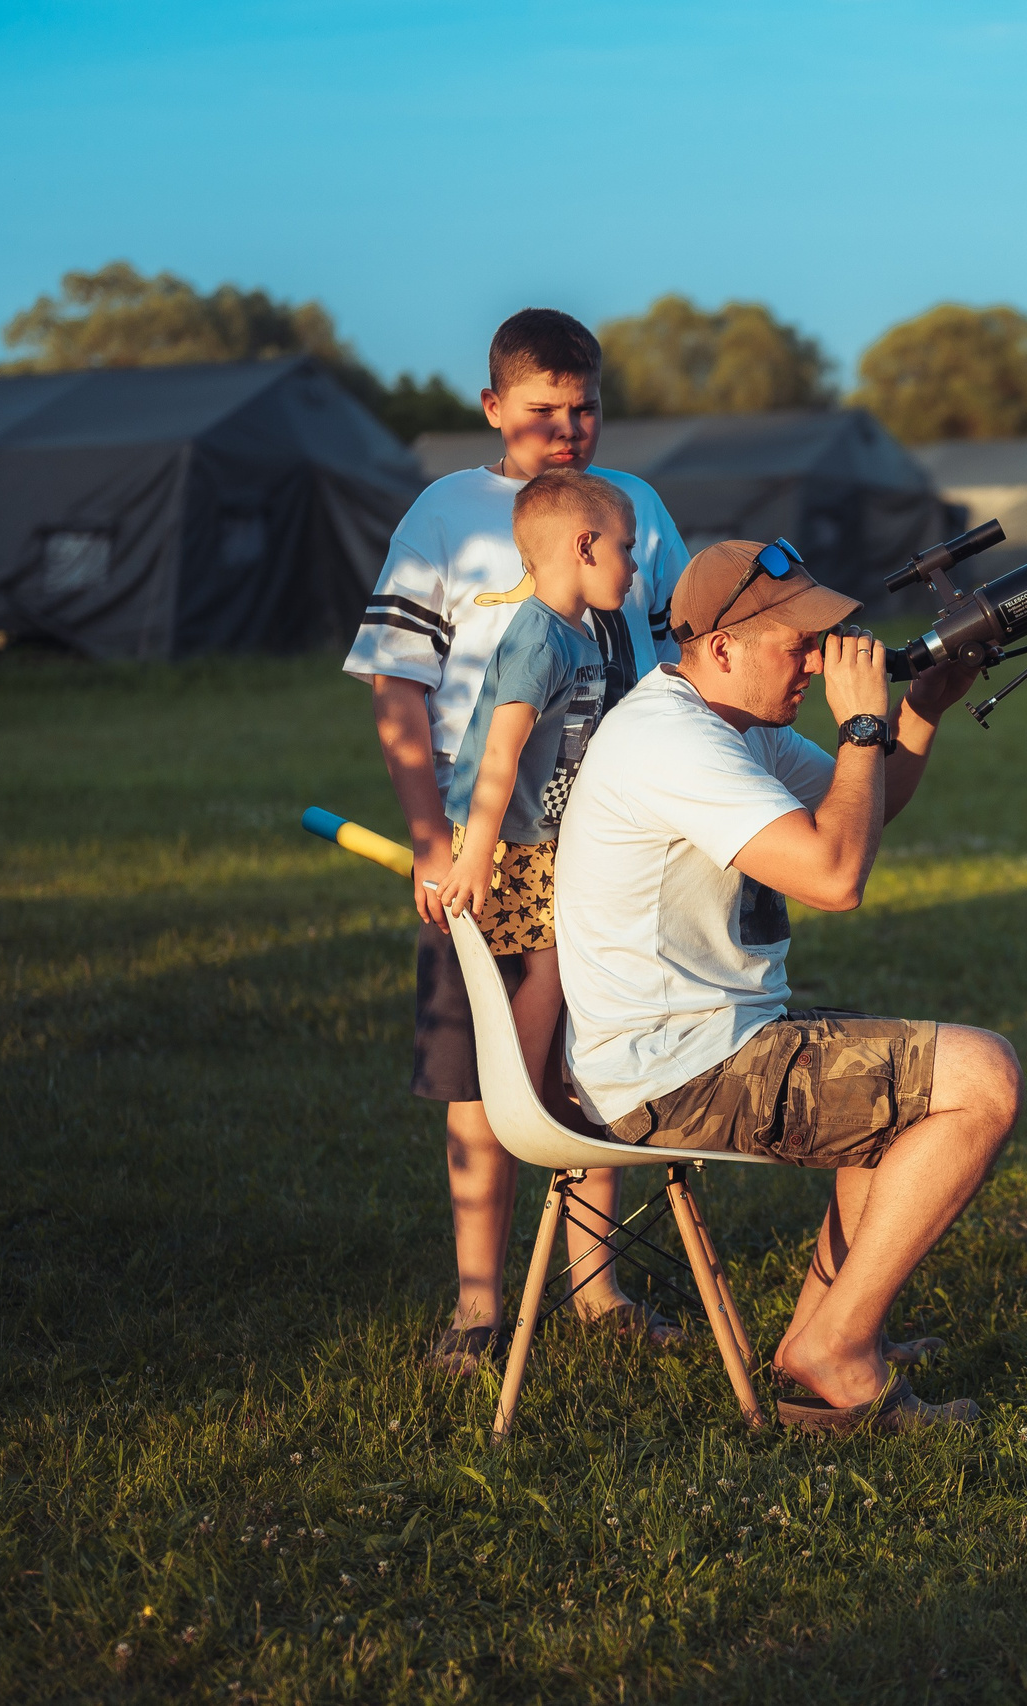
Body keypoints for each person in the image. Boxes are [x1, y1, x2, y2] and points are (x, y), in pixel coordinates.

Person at [554, 539, 1022, 1434]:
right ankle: (837, 1346)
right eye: (797, 641)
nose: (817, 658)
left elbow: (867, 805)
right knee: (983, 1078)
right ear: (721, 648)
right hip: (674, 1071)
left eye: (823, 638)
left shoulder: (737, 723)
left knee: (912, 1081)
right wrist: (858, 726)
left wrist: (914, 712)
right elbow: (836, 877)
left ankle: (821, 1340)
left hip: (704, 1042)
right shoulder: (673, 742)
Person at [342, 309, 690, 1374]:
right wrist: (431, 837)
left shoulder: (636, 509)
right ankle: (481, 1305)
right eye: (544, 411)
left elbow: (679, 662)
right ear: (493, 408)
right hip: (483, 853)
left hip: (615, 854)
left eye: (586, 407)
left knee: (596, 1065)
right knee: (484, 1078)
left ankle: (595, 1288)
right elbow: (399, 686)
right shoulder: (447, 514)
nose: (569, 428)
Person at [435, 468, 638, 1104]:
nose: (633, 567)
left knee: (566, 963)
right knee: (550, 966)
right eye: (625, 549)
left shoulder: (583, 632)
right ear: (585, 546)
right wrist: (476, 853)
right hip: (508, 840)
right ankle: (520, 1095)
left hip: (542, 836)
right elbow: (501, 752)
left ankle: (547, 1087)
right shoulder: (540, 640)